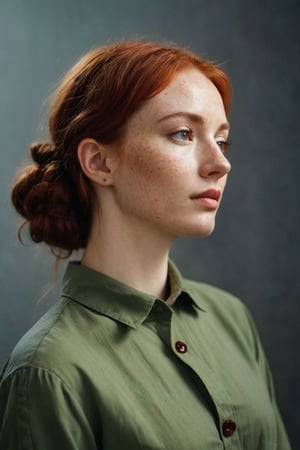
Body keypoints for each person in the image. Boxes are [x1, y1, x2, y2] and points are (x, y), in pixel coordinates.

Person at [0, 41, 290, 450]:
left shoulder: (231, 318)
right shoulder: (48, 372)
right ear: (100, 162)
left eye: (222, 140)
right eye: (183, 134)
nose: (220, 163)